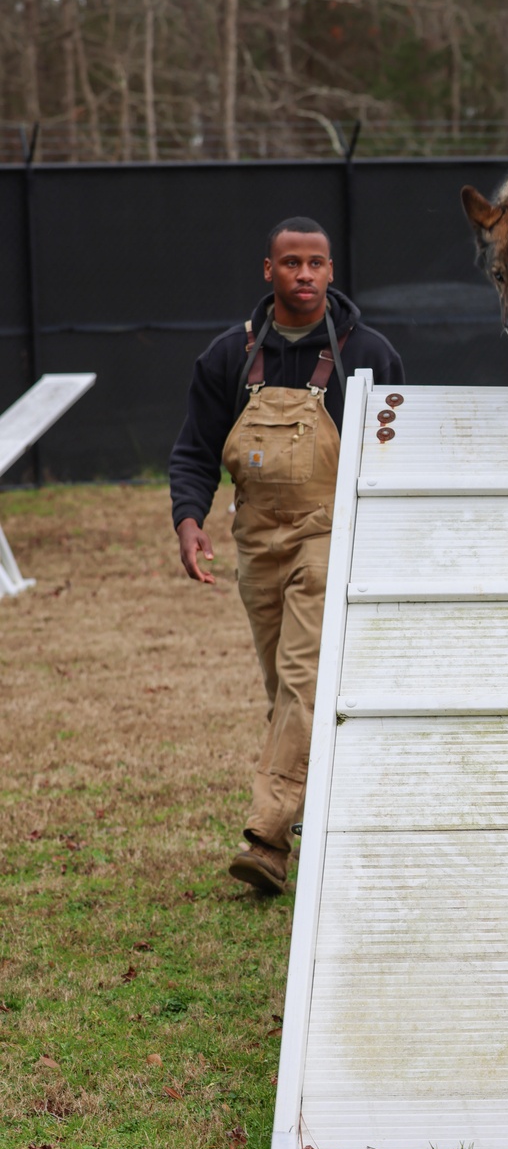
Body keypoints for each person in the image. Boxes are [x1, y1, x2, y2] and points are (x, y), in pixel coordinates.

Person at [169, 216, 403, 894]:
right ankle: (341, 811)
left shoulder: (372, 354)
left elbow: (394, 449)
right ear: (267, 271)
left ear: (332, 272)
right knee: (290, 693)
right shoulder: (226, 357)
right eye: (292, 262)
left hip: (331, 534)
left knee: (302, 677)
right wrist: (190, 521)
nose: (305, 274)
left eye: (318, 263)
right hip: (255, 540)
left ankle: (268, 837)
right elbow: (194, 450)